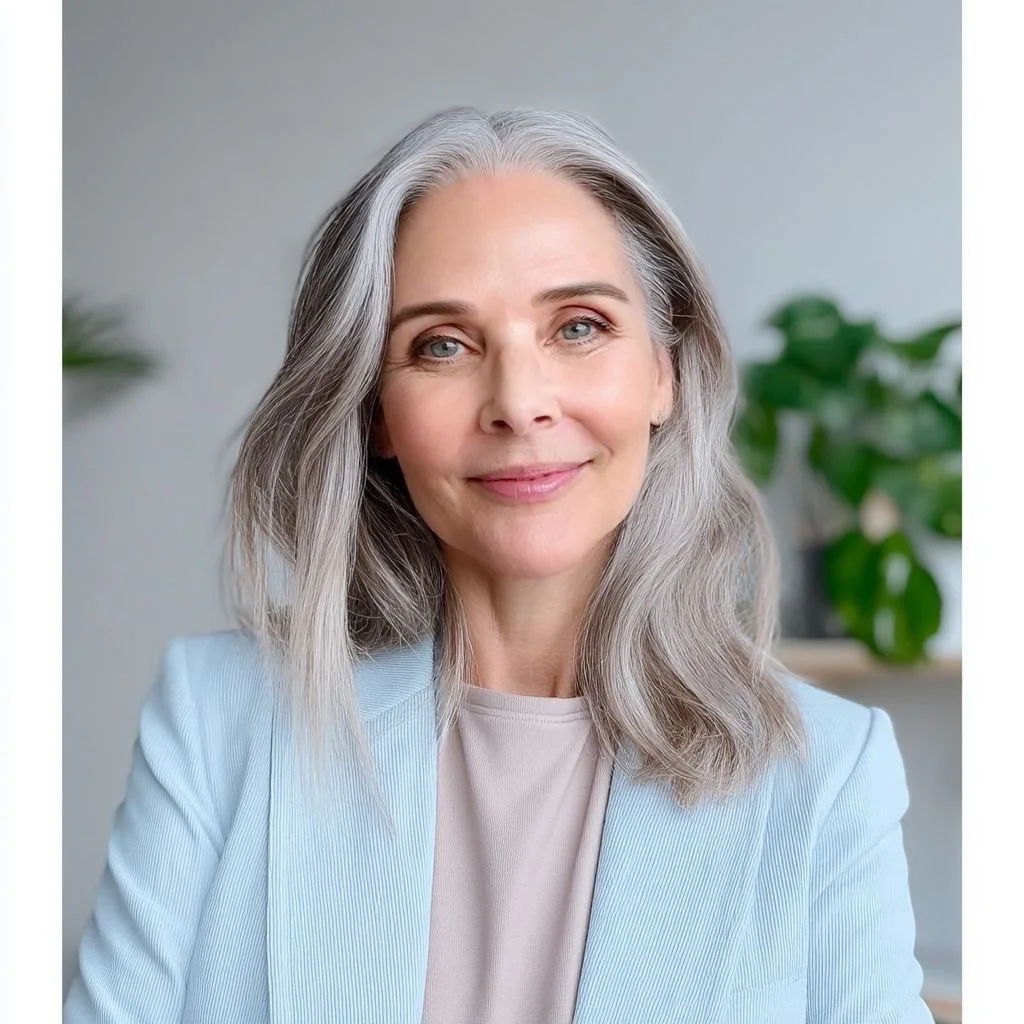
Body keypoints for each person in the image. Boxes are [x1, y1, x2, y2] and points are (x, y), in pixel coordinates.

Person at [64, 106, 933, 1023]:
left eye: (579, 327)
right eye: (443, 344)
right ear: (375, 413)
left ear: (663, 372)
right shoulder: (216, 720)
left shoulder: (824, 772)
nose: (519, 404)